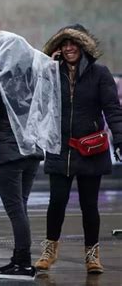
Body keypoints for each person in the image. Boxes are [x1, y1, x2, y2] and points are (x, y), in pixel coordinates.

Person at [35, 24, 122, 274]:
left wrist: (120, 137)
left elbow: (112, 109)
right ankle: (50, 250)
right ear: (58, 48)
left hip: (90, 149)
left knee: (89, 206)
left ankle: (92, 255)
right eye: (64, 43)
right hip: (59, 148)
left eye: (73, 43)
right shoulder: (51, 72)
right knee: (57, 202)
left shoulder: (100, 73)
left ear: (83, 46)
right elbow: (38, 102)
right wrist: (47, 70)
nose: (69, 47)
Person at [0, 32, 52, 280]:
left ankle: (23, 265)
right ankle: (19, 260)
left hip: (8, 154)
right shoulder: (31, 81)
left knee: (15, 209)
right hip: (30, 153)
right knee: (21, 208)